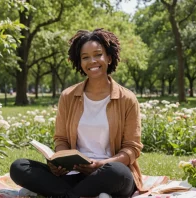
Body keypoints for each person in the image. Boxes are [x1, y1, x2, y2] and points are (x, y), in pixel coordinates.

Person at [10, 28, 144, 197]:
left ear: (109, 58)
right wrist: (59, 161)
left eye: (98, 55)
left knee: (118, 172)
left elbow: (132, 149)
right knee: (19, 167)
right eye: (85, 57)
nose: (92, 61)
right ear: (79, 62)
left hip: (107, 174)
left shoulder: (127, 99)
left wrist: (101, 164)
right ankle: (80, 194)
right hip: (73, 174)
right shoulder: (68, 96)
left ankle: (56, 193)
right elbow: (61, 139)